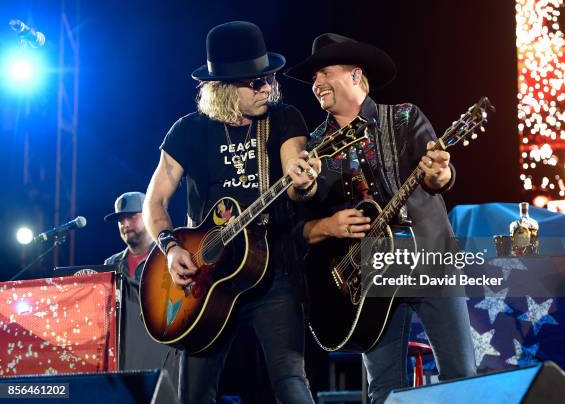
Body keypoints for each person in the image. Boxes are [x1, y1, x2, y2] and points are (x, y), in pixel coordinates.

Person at [285, 33, 477, 403]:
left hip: (431, 261)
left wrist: (439, 174)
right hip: (369, 282)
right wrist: (328, 226)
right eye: (313, 78)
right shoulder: (313, 149)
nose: (316, 83)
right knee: (385, 388)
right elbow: (295, 228)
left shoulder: (404, 117)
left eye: (324, 73)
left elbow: (440, 177)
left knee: (461, 378)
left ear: (356, 76)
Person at [142, 21, 318, 403]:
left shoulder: (284, 117)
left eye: (269, 78)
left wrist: (303, 180)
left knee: (290, 380)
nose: (267, 88)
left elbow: (295, 166)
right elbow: (154, 201)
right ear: (222, 88)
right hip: (206, 279)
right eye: (255, 83)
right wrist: (171, 248)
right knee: (194, 394)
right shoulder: (188, 131)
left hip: (272, 270)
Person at [104, 191, 177, 375]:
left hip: (162, 357)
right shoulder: (110, 264)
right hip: (124, 360)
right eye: (121, 219)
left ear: (149, 216)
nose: (125, 224)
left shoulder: (169, 258)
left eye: (132, 216)